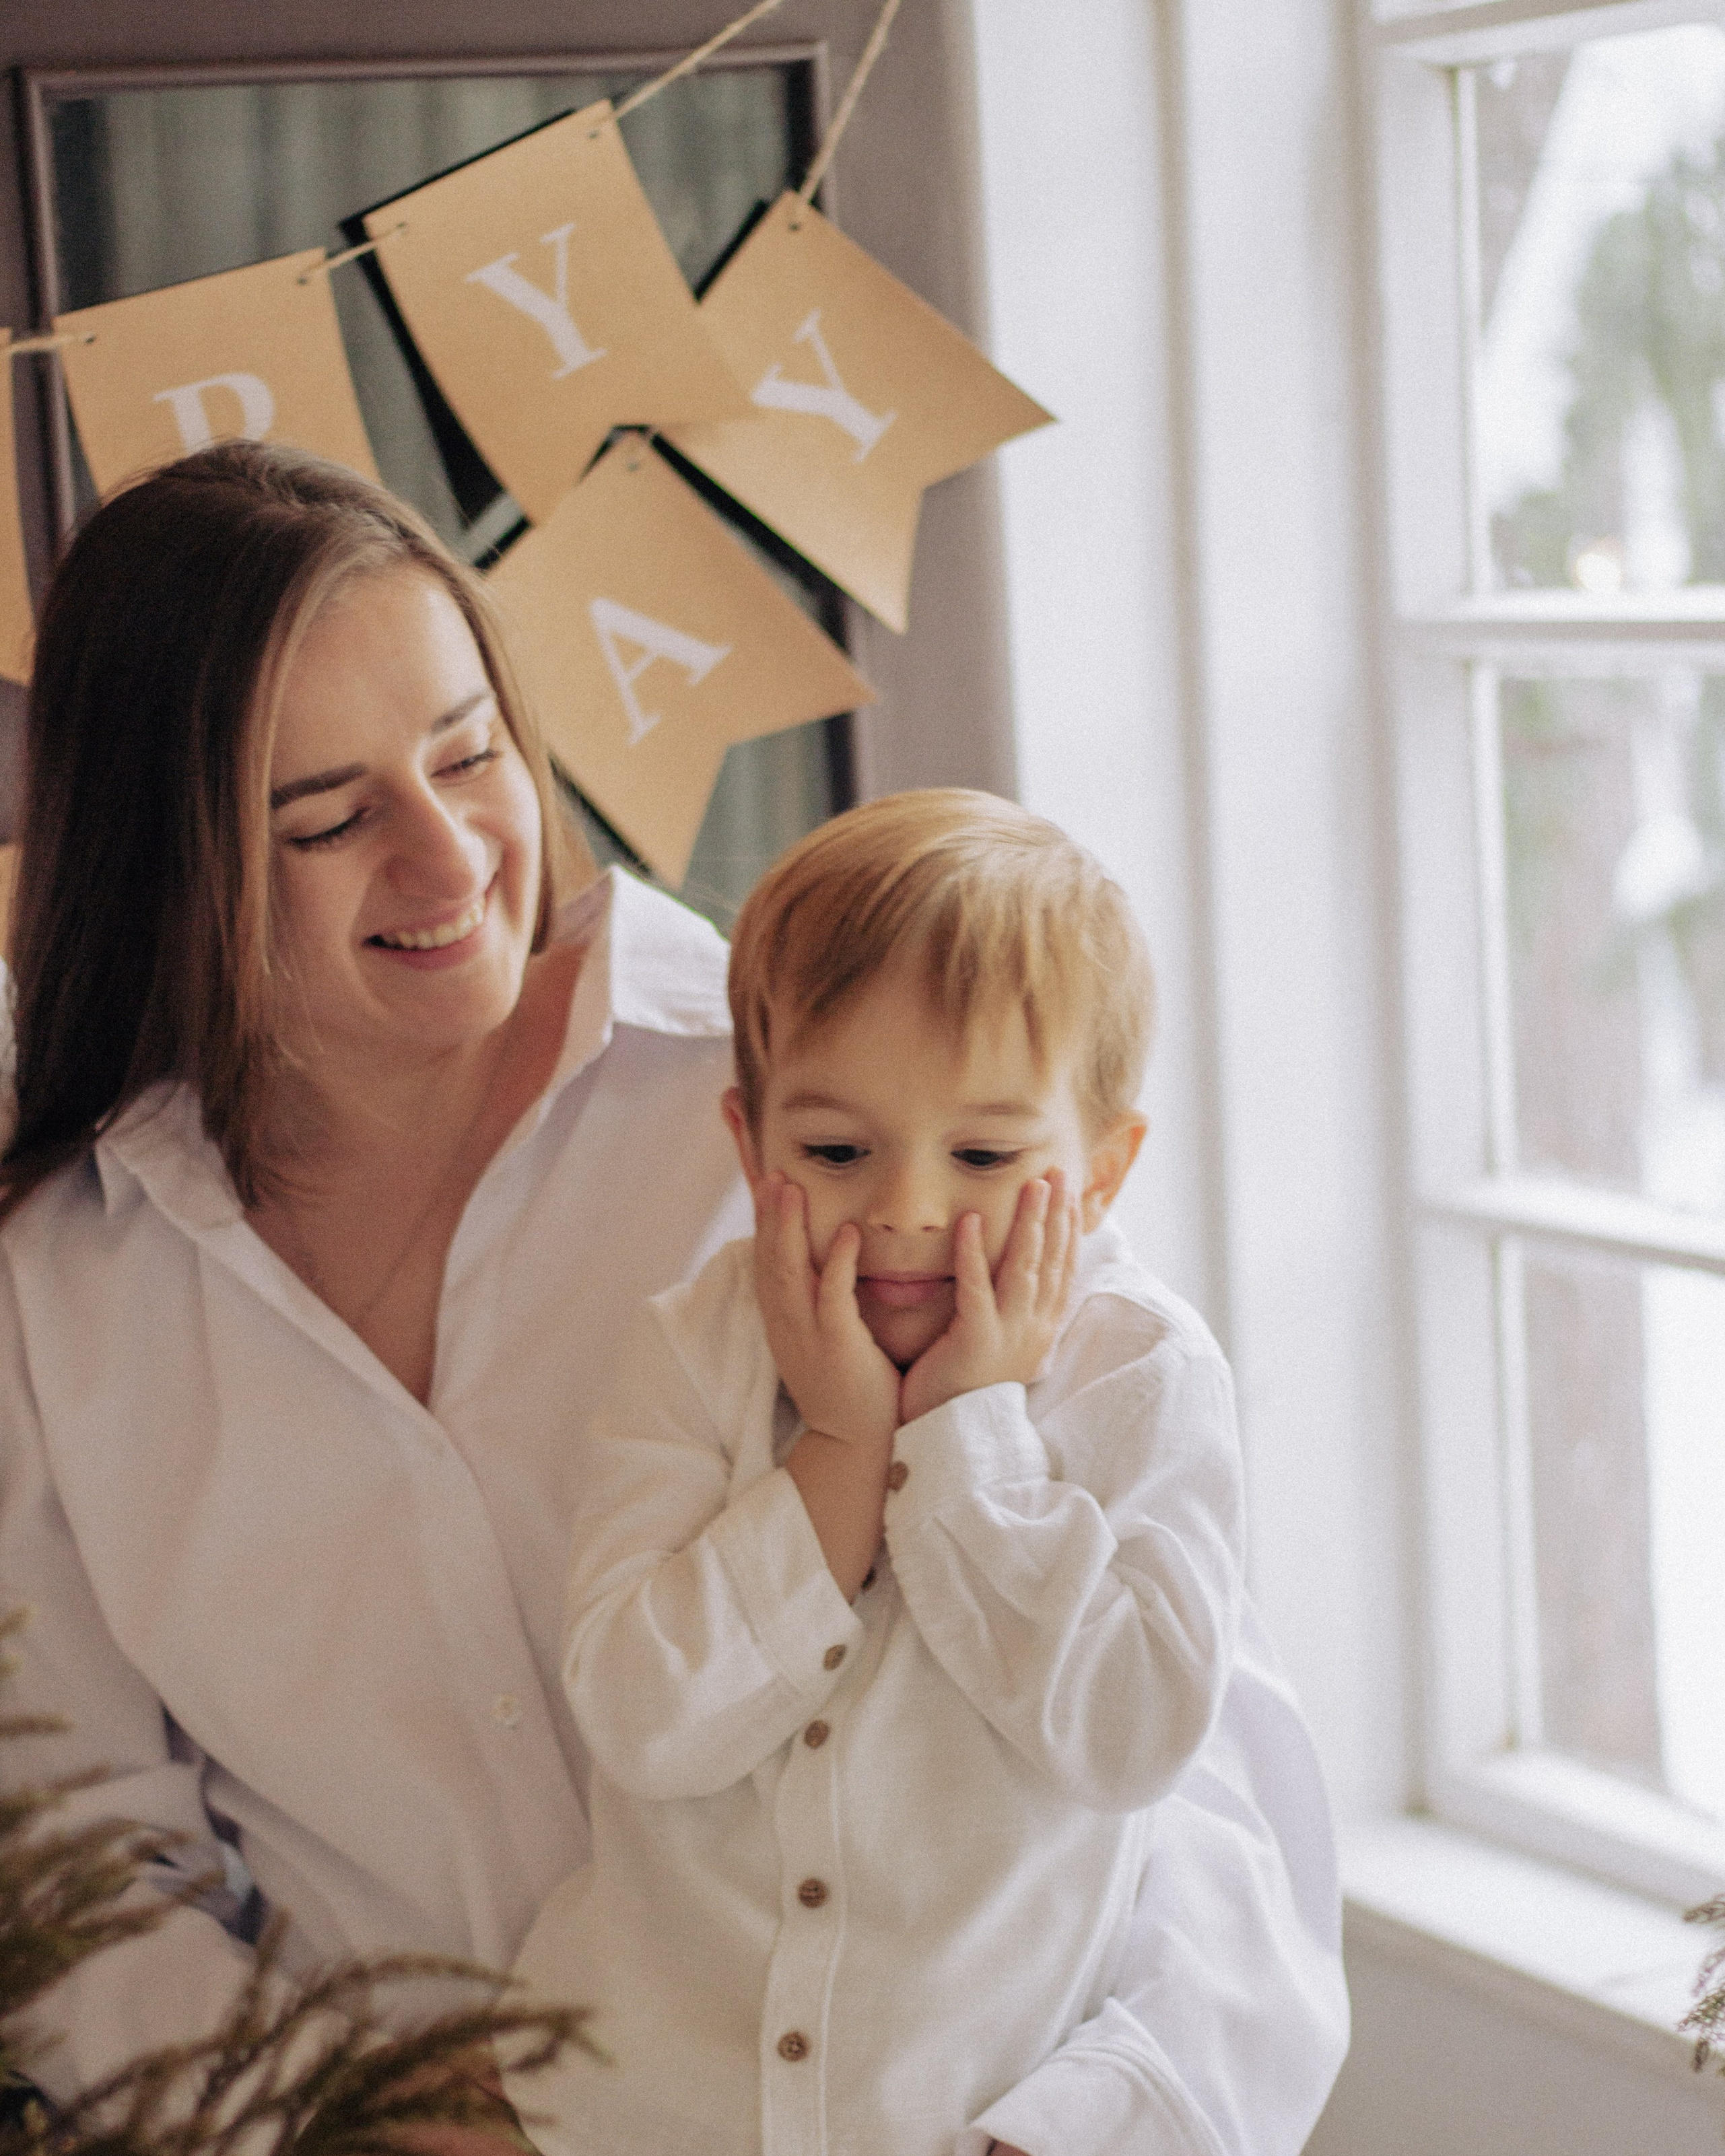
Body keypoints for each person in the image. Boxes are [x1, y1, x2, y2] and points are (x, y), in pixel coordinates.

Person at [0, 442, 1347, 2156]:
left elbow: (1204, 1760)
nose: (449, 861)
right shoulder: (60, 1302)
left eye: (469, 752)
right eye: (328, 819)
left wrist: (1073, 2133)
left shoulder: (839, 1105)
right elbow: (81, 1877)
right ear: (165, 860)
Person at [510, 794, 1250, 2156]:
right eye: (837, 1152)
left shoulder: (1140, 1376)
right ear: (750, 1144)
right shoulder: (693, 1347)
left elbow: (1135, 1731)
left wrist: (967, 1439)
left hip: (956, 2119)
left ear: (1101, 1171)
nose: (907, 1210)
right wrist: (842, 1457)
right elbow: (639, 1714)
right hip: (635, 2115)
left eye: (983, 1155)